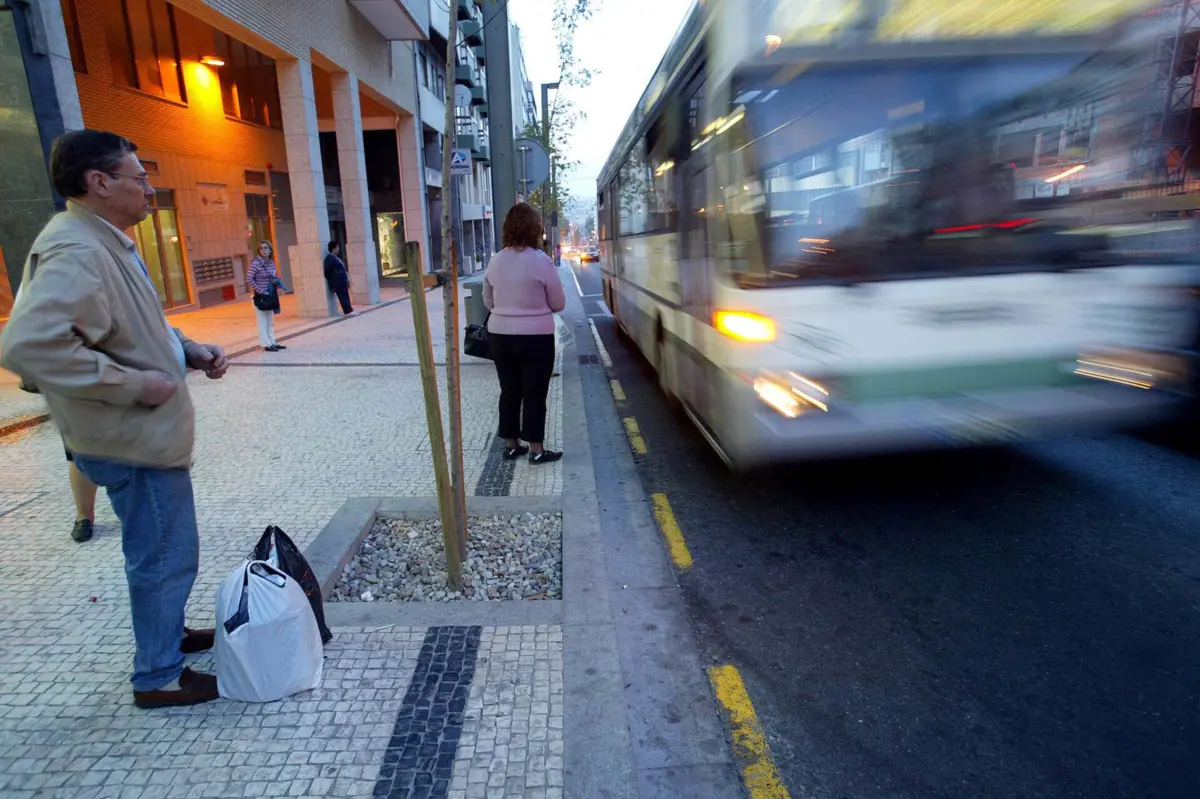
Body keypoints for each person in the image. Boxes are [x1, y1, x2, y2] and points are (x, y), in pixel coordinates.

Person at [0, 129, 231, 709]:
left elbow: (131, 326)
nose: (149, 190)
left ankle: (167, 637)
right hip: (133, 440)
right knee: (163, 556)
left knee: (164, 551)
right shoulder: (78, 249)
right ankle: (158, 676)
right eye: (139, 178)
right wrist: (135, 385)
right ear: (98, 183)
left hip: (142, 436)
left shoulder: (104, 242)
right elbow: (28, 346)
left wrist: (185, 348)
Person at [483, 203, 566, 465]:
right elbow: (559, 303)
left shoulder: (495, 261)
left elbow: (488, 301)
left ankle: (510, 445)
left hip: (500, 336)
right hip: (536, 338)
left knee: (509, 390)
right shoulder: (542, 262)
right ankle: (537, 449)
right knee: (534, 392)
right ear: (535, 228)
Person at [247, 240, 288, 352]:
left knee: (270, 321)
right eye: (261, 248)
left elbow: (273, 278)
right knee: (262, 322)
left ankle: (272, 342)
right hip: (259, 296)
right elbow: (249, 279)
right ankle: (266, 344)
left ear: (270, 250)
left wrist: (279, 285)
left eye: (266, 248)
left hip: (270, 295)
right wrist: (260, 290)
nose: (264, 250)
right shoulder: (255, 263)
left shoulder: (271, 263)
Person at [323, 242, 356, 315]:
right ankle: (348, 311)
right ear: (333, 248)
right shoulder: (329, 259)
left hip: (342, 280)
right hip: (338, 281)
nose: (338, 249)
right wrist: (332, 282)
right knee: (342, 296)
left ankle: (349, 309)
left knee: (345, 295)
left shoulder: (336, 258)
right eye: (337, 247)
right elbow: (327, 272)